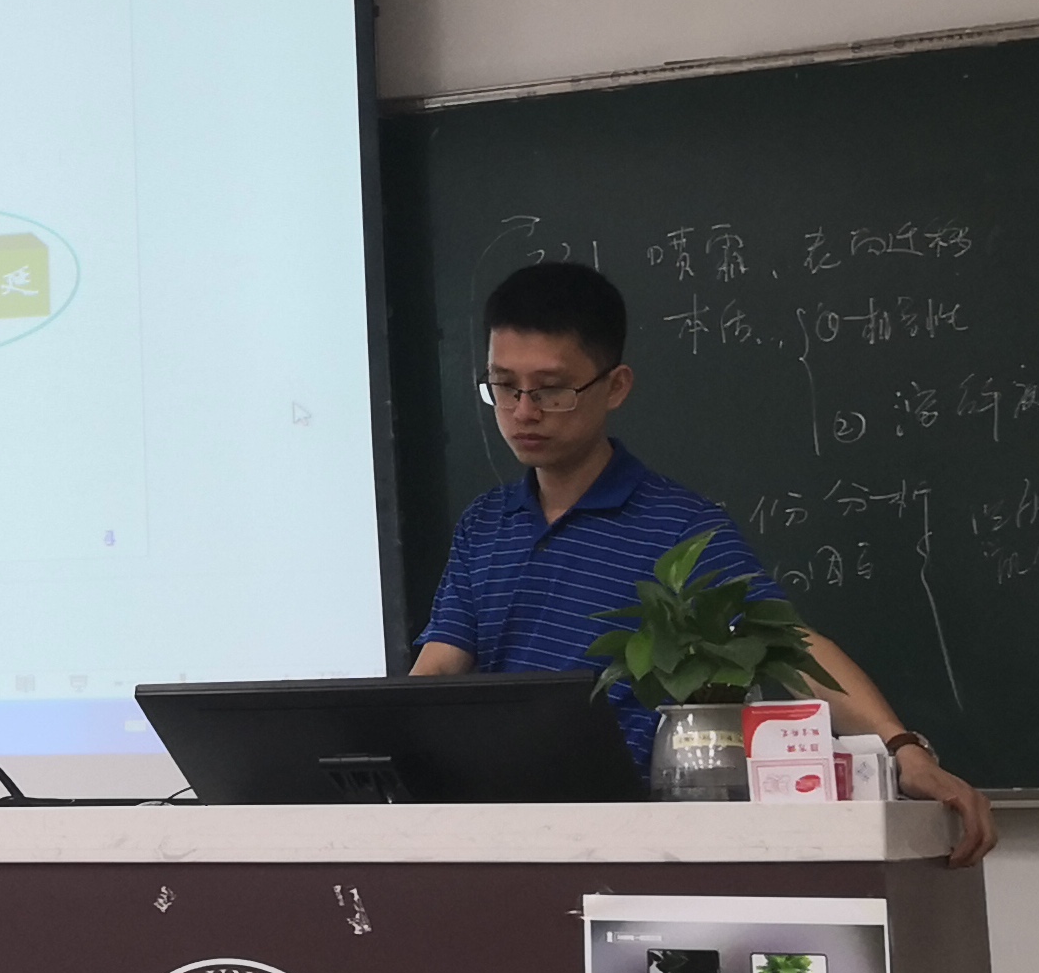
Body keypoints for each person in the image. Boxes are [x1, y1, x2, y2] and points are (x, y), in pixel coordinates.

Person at [412, 262, 996, 863]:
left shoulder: (677, 526)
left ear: (615, 386)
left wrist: (903, 750)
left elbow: (789, 645)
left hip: (623, 843)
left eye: (551, 390)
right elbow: (439, 668)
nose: (523, 412)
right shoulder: (485, 524)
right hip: (492, 835)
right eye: (504, 386)